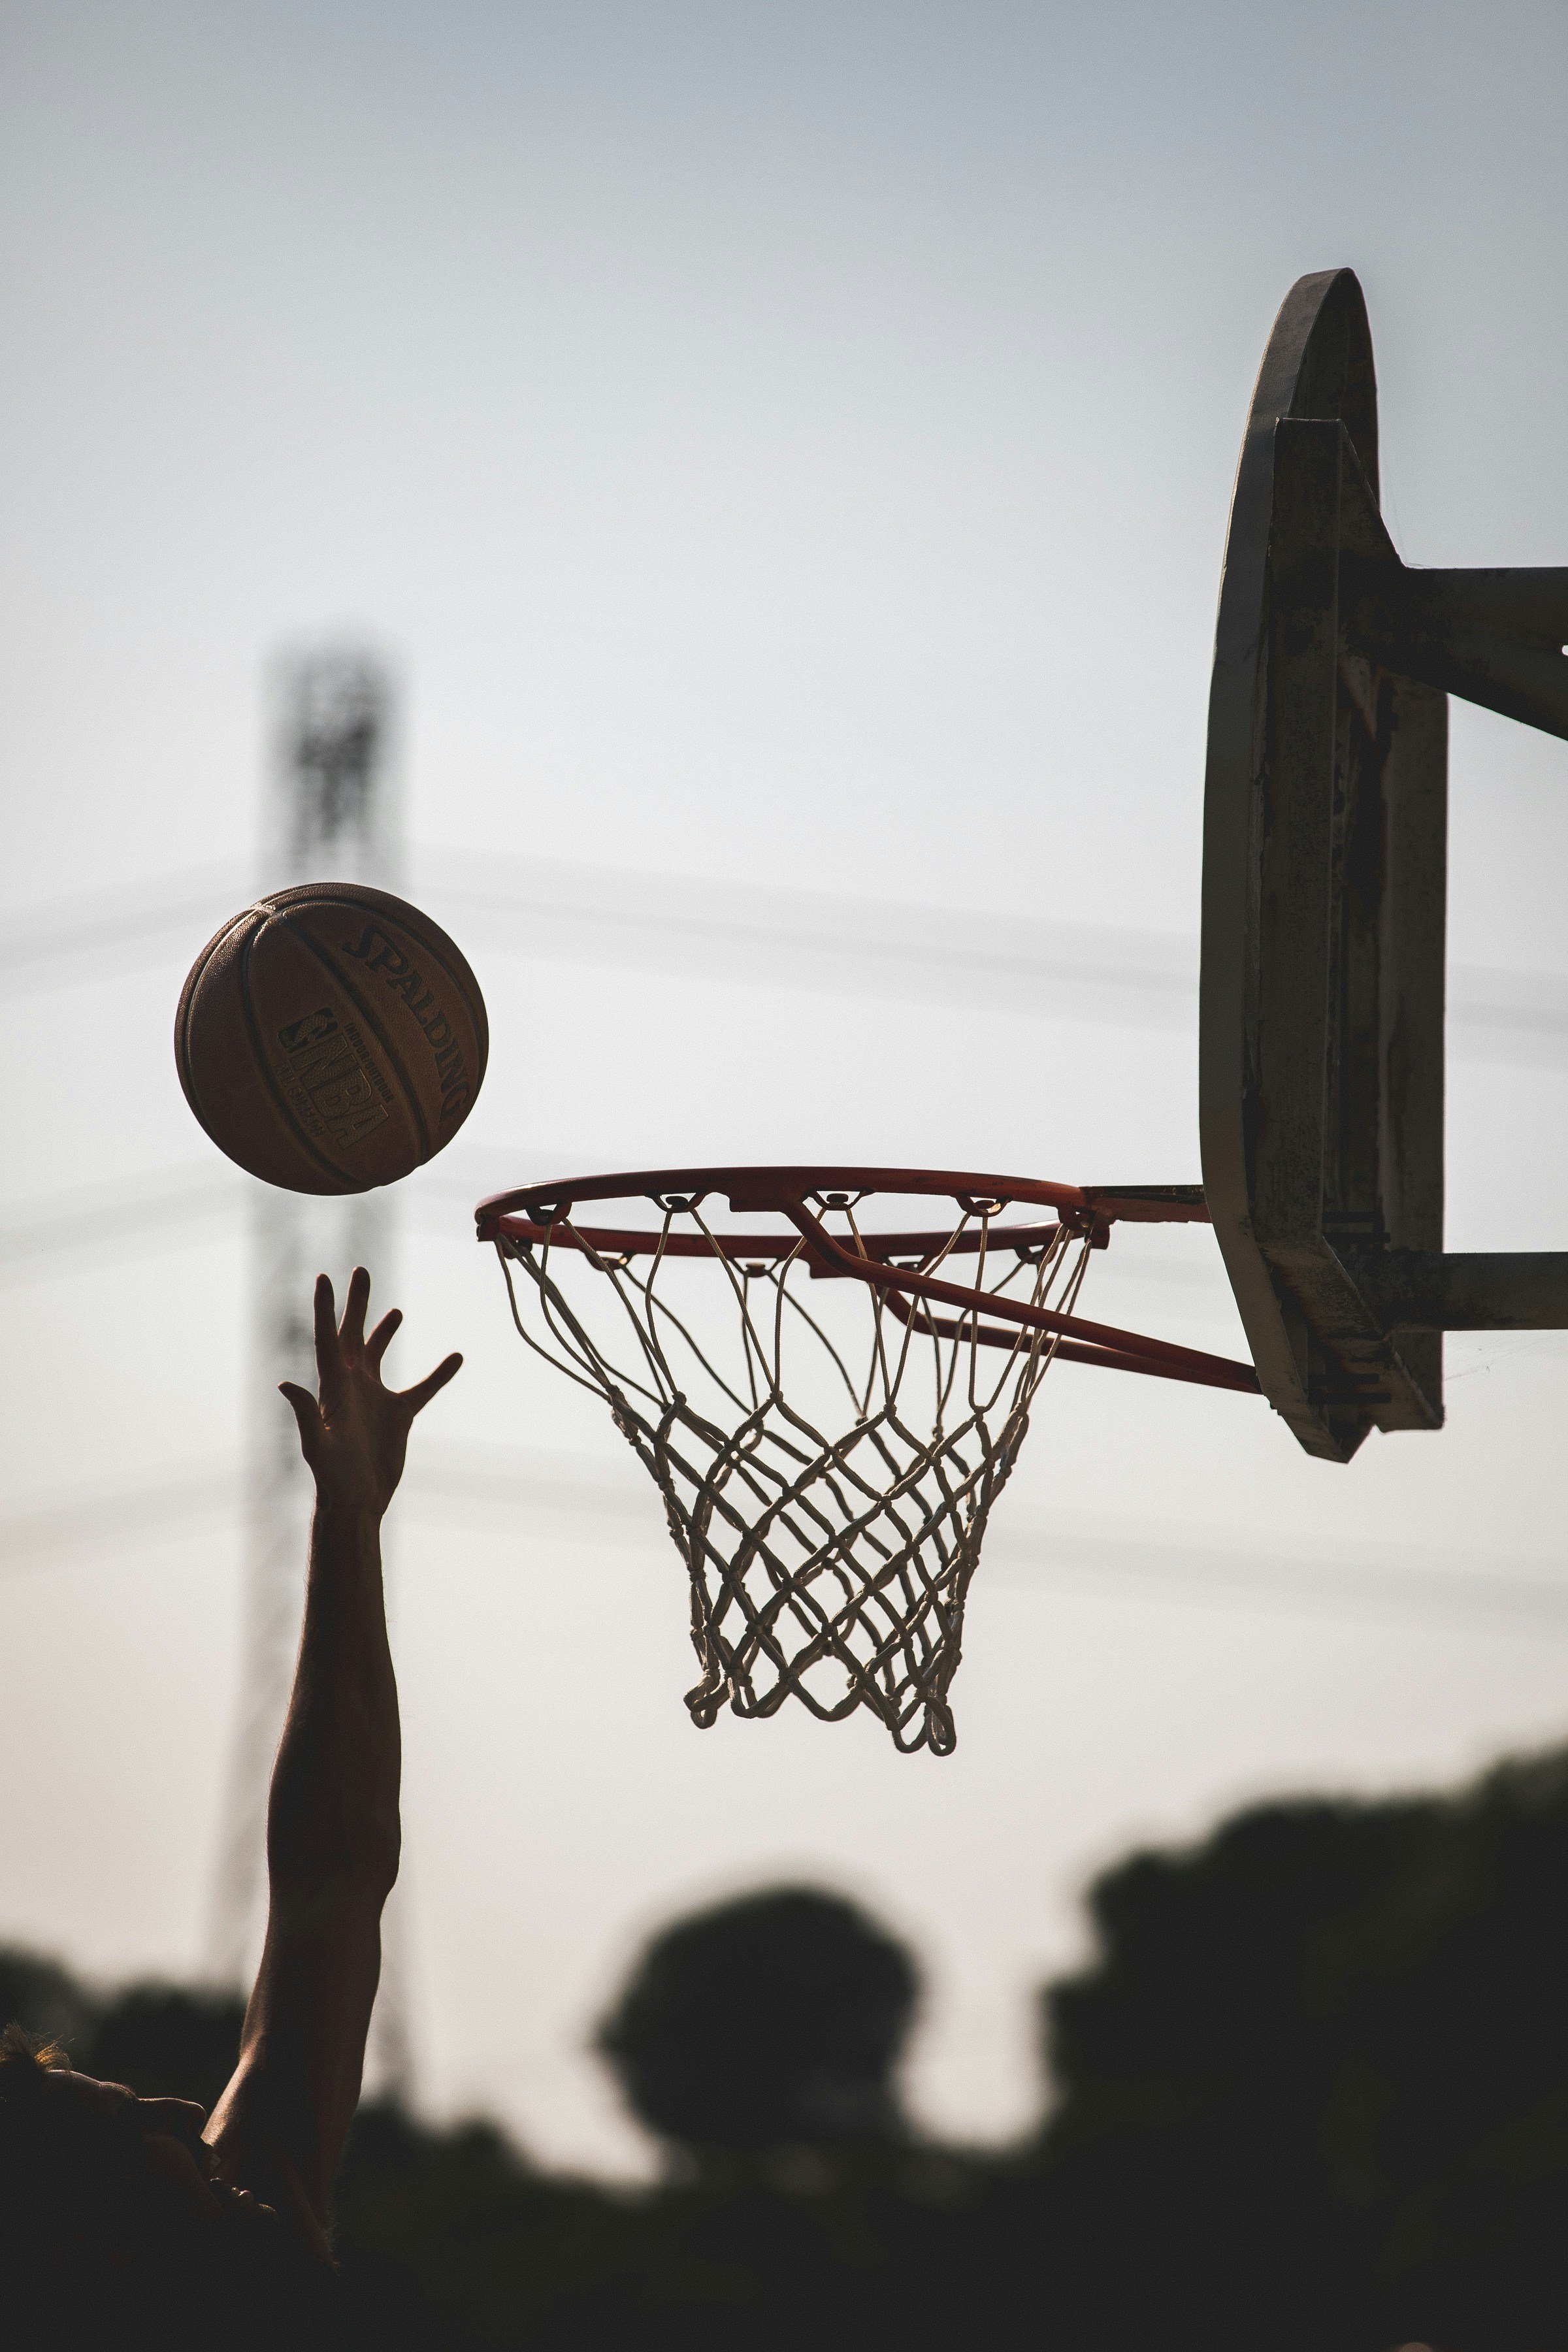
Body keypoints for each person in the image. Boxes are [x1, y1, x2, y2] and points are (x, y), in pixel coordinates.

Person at [0, 1269, 459, 2348]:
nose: (174, 2112)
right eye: (124, 2128)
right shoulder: (212, 2270)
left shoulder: (234, 2237)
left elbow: (330, 1881)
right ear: (76, 2232)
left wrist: (348, 1519)